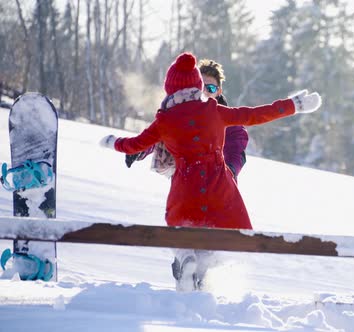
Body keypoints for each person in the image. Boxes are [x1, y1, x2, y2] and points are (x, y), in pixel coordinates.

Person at [99, 52, 321, 290]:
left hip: (186, 188)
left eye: (212, 87)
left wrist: (115, 143)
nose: (207, 90)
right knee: (221, 240)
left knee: (182, 231)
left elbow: (142, 141)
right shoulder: (216, 113)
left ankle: (189, 264)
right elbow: (255, 114)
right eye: (203, 85)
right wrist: (293, 105)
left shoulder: (167, 119)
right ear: (196, 85)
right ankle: (197, 269)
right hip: (219, 189)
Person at [125, 59, 249, 182]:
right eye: (201, 87)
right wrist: (139, 149)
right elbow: (160, 135)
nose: (205, 92)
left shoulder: (229, 121)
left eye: (210, 88)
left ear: (218, 92)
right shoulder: (181, 115)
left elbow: (236, 150)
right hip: (185, 188)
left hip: (219, 189)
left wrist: (230, 170)